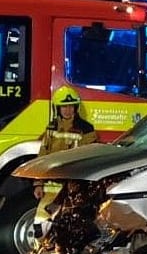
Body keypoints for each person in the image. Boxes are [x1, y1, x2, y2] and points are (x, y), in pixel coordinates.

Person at [32, 86, 98, 228]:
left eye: (70, 106)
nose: (68, 110)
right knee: (41, 224)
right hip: (52, 186)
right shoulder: (51, 128)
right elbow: (43, 156)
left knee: (71, 225)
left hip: (74, 186)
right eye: (64, 107)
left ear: (76, 108)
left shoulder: (85, 129)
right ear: (58, 109)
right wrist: (38, 184)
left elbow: (89, 157)